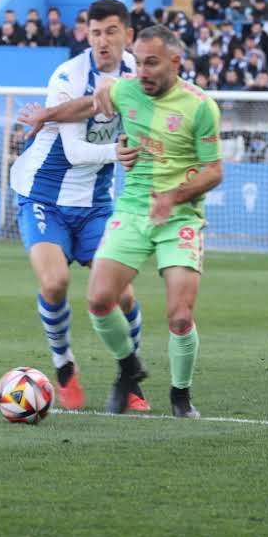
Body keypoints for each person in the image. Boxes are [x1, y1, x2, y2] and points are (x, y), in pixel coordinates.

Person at [10, 0, 147, 412]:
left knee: (120, 294)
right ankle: (64, 365)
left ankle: (132, 379)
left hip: (96, 204)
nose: (102, 41)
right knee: (54, 284)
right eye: (95, 33)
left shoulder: (140, 77)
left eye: (110, 31)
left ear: (128, 35)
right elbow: (73, 150)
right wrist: (123, 152)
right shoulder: (68, 75)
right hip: (43, 195)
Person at [87, 24, 223, 418]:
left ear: (175, 62)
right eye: (138, 63)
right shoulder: (123, 88)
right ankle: (129, 369)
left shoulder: (200, 107)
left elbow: (214, 172)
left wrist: (174, 196)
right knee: (98, 300)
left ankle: (181, 397)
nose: (142, 72)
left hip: (180, 215)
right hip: (132, 209)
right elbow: (97, 99)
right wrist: (52, 113)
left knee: (180, 316)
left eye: (152, 63)